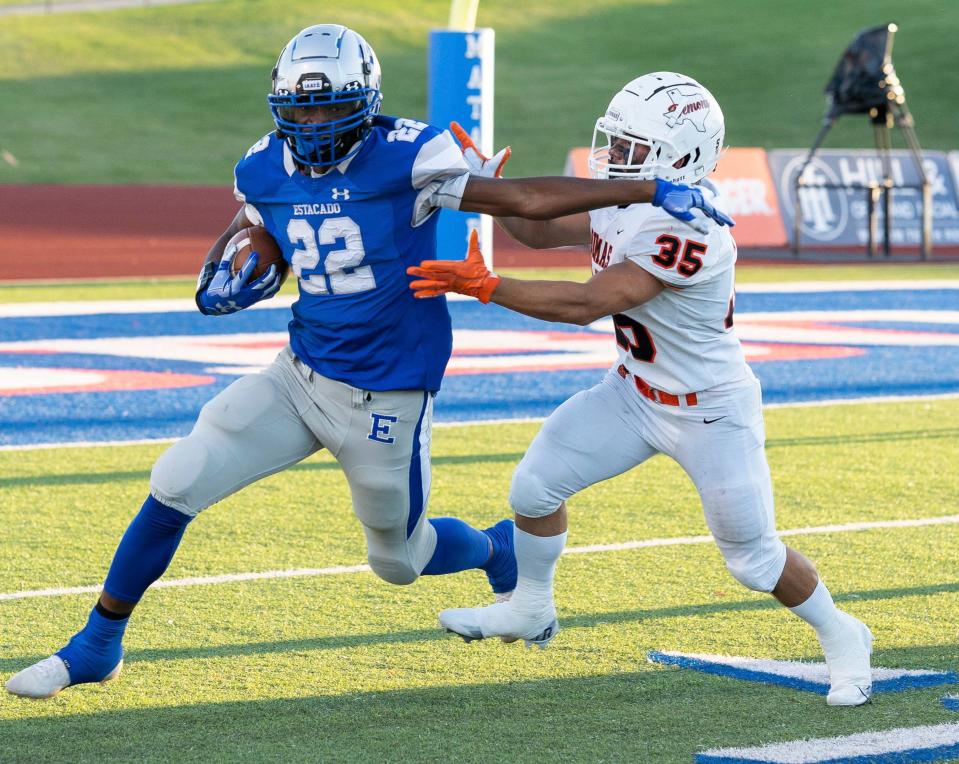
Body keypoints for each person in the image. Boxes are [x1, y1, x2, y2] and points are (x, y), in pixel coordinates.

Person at [5, 30, 732, 700]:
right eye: (302, 112)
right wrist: (241, 255)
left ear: (364, 105)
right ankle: (97, 644)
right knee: (176, 481)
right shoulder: (260, 164)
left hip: (386, 389)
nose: (315, 127)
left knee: (399, 560)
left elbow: (522, 198)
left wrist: (644, 187)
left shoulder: (408, 155)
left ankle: (495, 550)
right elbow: (256, 222)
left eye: (331, 112)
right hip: (299, 373)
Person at [408, 72, 874, 707]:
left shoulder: (690, 226)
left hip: (708, 409)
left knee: (754, 560)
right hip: (632, 392)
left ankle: (845, 635)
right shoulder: (630, 196)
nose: (615, 157)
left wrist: (488, 286)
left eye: (632, 146)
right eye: (617, 141)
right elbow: (543, 232)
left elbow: (589, 303)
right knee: (534, 488)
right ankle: (530, 607)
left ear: (681, 157)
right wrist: (490, 189)